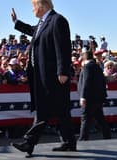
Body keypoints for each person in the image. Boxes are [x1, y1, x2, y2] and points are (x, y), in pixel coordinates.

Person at [11, 0, 76, 157]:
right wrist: (16, 22)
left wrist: (63, 71)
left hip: (53, 76)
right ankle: (69, 142)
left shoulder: (57, 20)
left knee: (43, 110)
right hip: (41, 75)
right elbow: (32, 30)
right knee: (62, 111)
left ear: (41, 6)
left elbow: (63, 47)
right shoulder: (42, 23)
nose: (32, 9)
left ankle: (29, 142)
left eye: (33, 6)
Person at [77, 51, 111, 141]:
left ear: (84, 58)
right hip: (98, 98)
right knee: (100, 119)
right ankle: (107, 136)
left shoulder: (87, 67)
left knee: (85, 119)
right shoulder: (97, 67)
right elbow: (103, 82)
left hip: (89, 98)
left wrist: (83, 96)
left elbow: (86, 82)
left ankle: (82, 139)